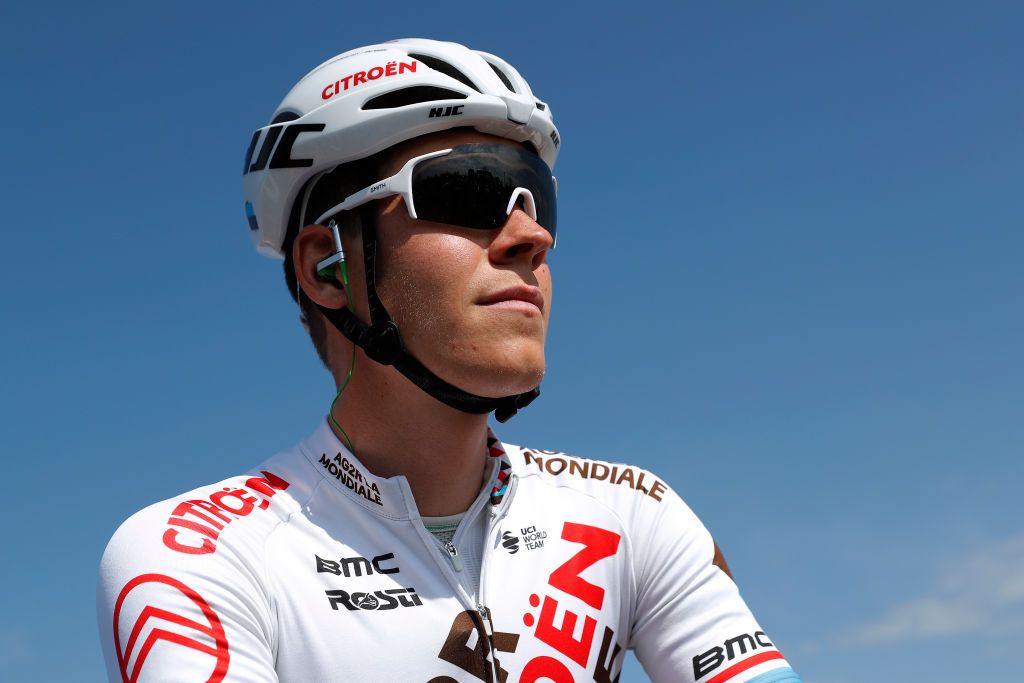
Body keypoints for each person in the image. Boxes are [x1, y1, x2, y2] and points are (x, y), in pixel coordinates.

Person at [96, 38, 802, 683]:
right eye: (468, 190)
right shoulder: (197, 554)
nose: (531, 237)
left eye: (539, 200)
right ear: (328, 266)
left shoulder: (632, 513)